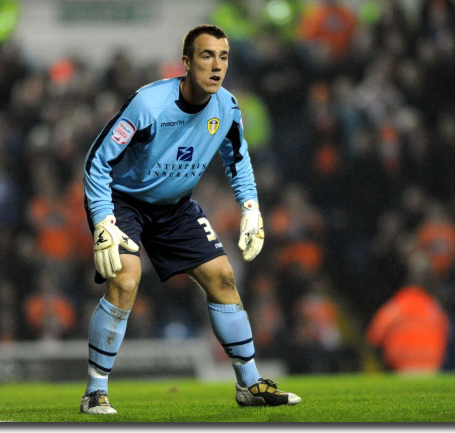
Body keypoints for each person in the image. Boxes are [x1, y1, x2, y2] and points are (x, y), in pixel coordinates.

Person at [81, 24, 301, 414]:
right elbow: (98, 161)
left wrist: (251, 207)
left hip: (175, 206)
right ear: (185, 63)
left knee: (222, 276)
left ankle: (249, 386)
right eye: (206, 56)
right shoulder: (149, 105)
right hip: (124, 201)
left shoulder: (228, 108)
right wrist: (102, 221)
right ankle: (95, 391)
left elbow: (238, 159)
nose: (217, 66)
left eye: (224, 57)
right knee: (126, 278)